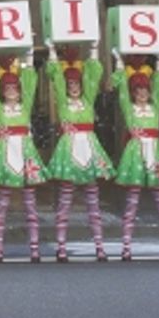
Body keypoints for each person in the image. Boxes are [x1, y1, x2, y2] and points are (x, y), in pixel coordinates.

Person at [46, 44, 115, 262]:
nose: (74, 86)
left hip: (89, 150)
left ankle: (99, 246)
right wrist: (52, 53)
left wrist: (94, 49)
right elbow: (55, 77)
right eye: (70, 83)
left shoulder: (87, 100)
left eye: (77, 83)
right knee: (65, 201)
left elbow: (93, 77)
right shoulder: (63, 101)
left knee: (93, 201)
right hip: (69, 151)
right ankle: (61, 246)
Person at [112, 54, 159, 261]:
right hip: (135, 154)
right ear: (133, 93)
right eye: (138, 90)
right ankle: (126, 247)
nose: (142, 93)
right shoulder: (129, 108)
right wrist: (119, 63)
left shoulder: (155, 106)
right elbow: (121, 90)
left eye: (145, 90)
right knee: (132, 202)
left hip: (155, 153)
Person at [0, 51, 47, 262]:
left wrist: (27, 58)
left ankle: (34, 248)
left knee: (30, 204)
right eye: (7, 88)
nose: (11, 91)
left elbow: (30, 82)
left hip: (25, 155)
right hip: (5, 155)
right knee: (2, 204)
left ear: (20, 92)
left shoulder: (25, 107)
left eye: (14, 89)